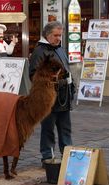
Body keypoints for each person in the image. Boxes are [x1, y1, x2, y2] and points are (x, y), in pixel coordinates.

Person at [29, 21, 75, 165]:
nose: (58, 38)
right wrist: (56, 83)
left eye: (60, 35)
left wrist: (71, 86)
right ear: (47, 35)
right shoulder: (40, 51)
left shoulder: (59, 49)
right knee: (48, 129)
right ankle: (47, 157)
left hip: (64, 97)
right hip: (48, 98)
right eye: (56, 35)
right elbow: (34, 76)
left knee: (65, 129)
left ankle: (67, 154)